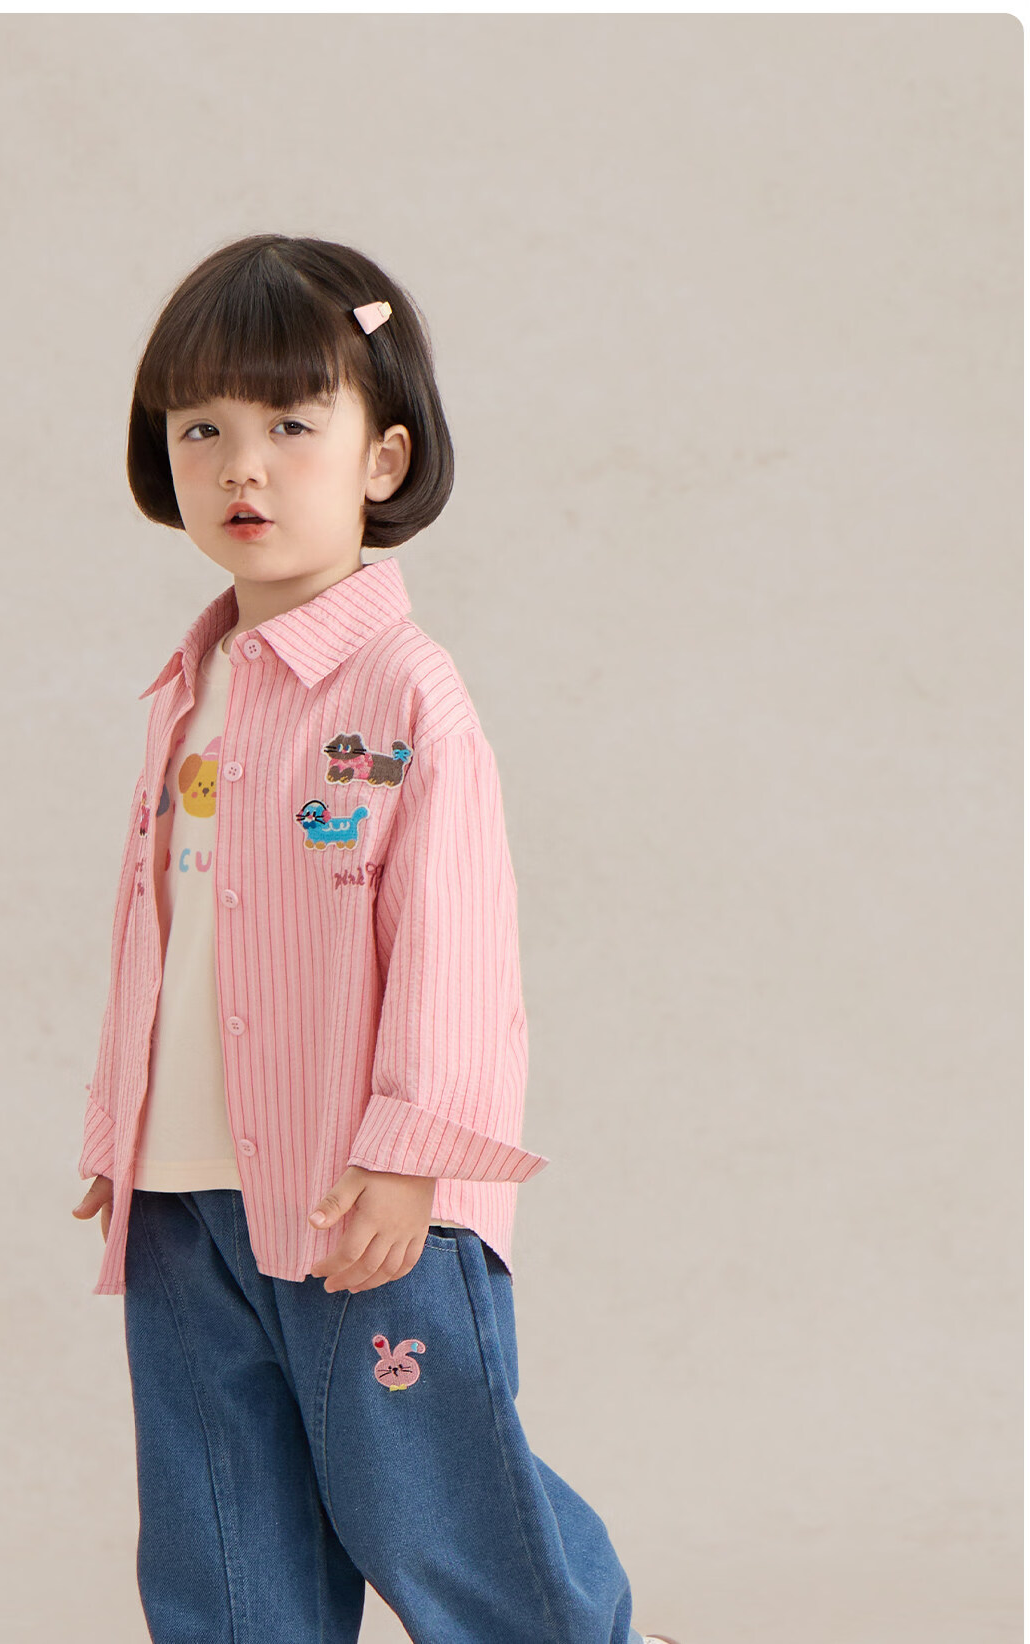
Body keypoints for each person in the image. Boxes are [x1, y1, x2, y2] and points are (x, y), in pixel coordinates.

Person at [70, 233, 683, 1644]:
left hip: (358, 1199)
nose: (244, 467)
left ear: (384, 459)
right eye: (203, 430)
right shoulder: (192, 686)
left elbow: (456, 946)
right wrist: (121, 1131)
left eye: (293, 426)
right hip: (185, 1196)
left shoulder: (406, 690)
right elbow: (158, 932)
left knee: (440, 1512)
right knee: (222, 1534)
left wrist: (413, 1156)